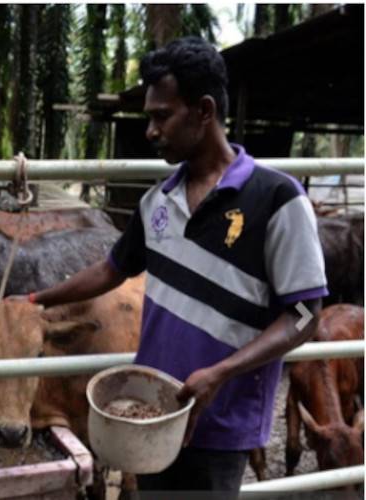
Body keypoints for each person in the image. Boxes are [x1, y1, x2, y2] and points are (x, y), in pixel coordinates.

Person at [20, 36, 327, 494]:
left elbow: (305, 314)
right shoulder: (156, 201)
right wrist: (34, 300)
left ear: (204, 111)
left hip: (220, 419)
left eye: (161, 116)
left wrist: (220, 374)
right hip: (151, 413)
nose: (150, 131)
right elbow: (111, 270)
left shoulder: (278, 200)